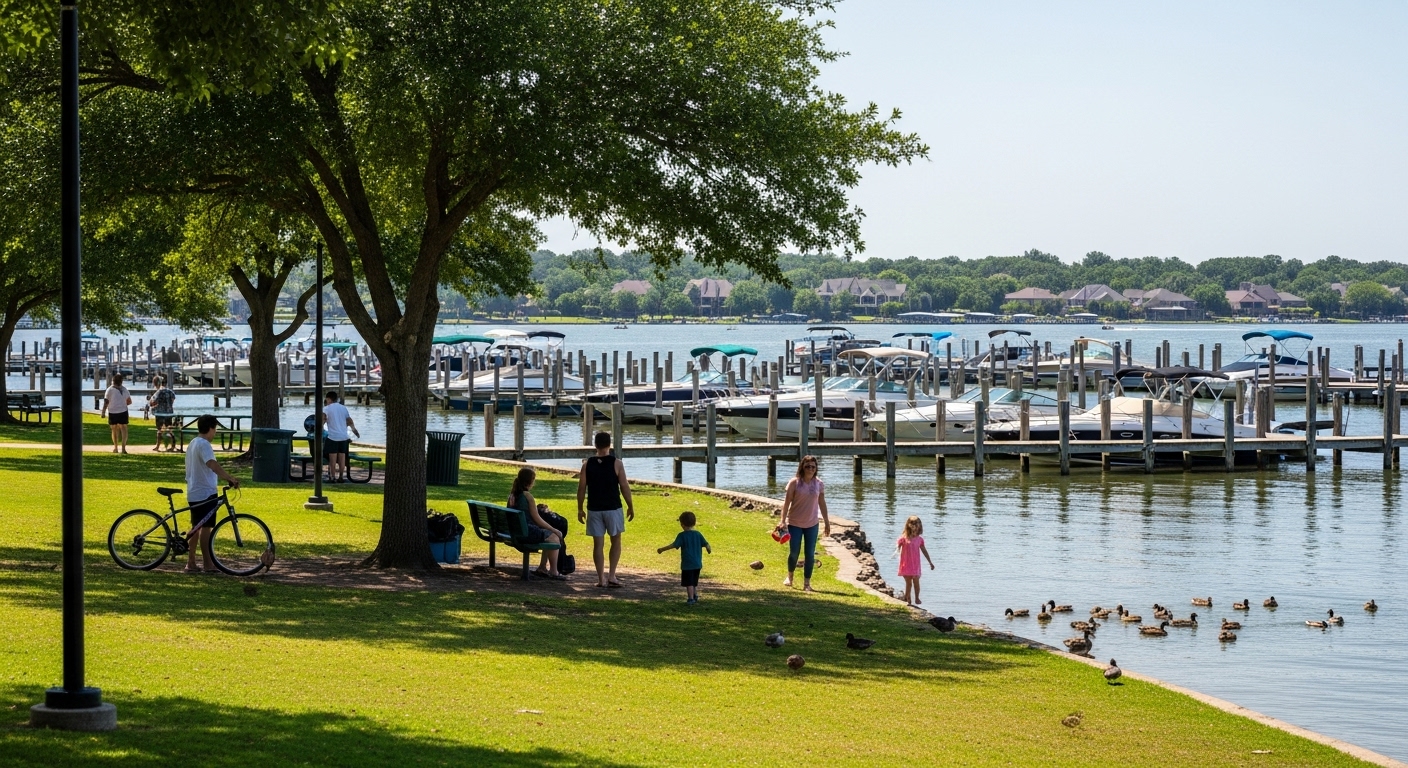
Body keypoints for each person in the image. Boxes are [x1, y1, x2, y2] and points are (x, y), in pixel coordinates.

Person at [577, 430, 635, 588]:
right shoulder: (617, 463)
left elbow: (581, 488)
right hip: (613, 508)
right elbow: (624, 487)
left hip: (594, 509)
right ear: (610, 445)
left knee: (598, 544)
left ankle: (600, 578)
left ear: (595, 445)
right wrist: (630, 506)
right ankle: (612, 575)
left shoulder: (587, 464)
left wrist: (580, 508)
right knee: (615, 540)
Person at [185, 414, 240, 573]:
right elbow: (212, 464)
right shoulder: (204, 445)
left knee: (196, 527)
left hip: (194, 491)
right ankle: (208, 564)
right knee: (206, 528)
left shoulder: (193, 443)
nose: (215, 433)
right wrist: (229, 477)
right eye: (215, 429)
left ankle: (191, 562)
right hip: (205, 492)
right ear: (210, 428)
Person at [777, 455, 830, 592]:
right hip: (795, 523)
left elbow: (822, 503)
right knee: (794, 552)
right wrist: (782, 521)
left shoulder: (819, 484)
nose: (810, 469)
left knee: (810, 554)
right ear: (802, 467)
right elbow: (786, 503)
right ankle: (790, 577)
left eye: (813, 467)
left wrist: (827, 522)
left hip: (812, 524)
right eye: (808, 466)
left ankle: (807, 584)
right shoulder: (794, 483)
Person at [507, 467, 566, 580]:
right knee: (553, 537)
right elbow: (537, 518)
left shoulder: (512, 495)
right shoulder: (528, 496)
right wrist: (554, 530)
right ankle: (554, 571)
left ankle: (542, 567)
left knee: (547, 535)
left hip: (515, 531)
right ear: (531, 481)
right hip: (525, 532)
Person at [658, 511, 711, 604]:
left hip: (687, 564)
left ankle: (691, 598)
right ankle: (695, 595)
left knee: (689, 583)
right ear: (694, 523)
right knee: (694, 581)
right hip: (697, 563)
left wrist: (662, 549)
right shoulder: (698, 534)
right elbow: (706, 544)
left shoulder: (682, 536)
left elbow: (674, 545)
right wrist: (708, 549)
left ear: (682, 524)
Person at [895, 515, 935, 606]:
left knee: (916, 582)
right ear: (908, 525)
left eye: (917, 523)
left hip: (915, 565)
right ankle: (907, 598)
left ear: (919, 526)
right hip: (906, 564)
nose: (915, 525)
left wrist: (930, 562)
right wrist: (897, 548)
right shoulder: (903, 539)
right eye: (912, 523)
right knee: (908, 583)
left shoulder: (919, 540)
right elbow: (898, 548)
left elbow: (924, 550)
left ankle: (916, 597)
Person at [320, 392, 360, 482]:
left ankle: (332, 477)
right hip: (344, 437)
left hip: (333, 437)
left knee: (332, 458)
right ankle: (341, 477)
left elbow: (323, 419)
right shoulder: (343, 408)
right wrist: (354, 430)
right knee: (342, 457)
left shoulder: (326, 408)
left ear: (328, 399)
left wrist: (321, 427)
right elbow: (349, 420)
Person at [101, 372, 132, 454]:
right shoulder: (125, 389)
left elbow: (106, 401)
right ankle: (123, 448)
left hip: (112, 411)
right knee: (124, 429)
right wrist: (122, 403)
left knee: (114, 430)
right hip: (123, 411)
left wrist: (103, 411)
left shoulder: (109, 390)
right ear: (121, 381)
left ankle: (115, 448)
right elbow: (129, 401)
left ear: (113, 381)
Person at [148, 375, 177, 452]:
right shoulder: (170, 391)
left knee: (159, 430)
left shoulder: (158, 392)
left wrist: (153, 404)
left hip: (160, 413)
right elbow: (173, 399)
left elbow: (153, 402)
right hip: (169, 413)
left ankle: (157, 446)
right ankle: (173, 445)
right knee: (169, 429)